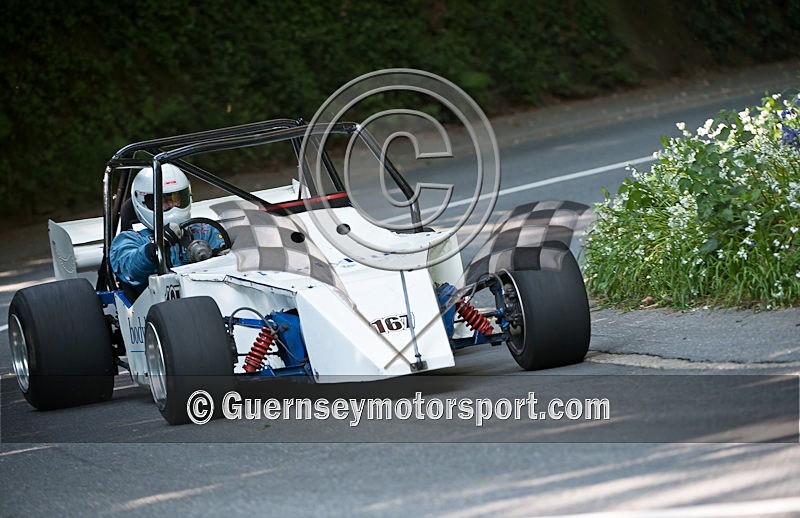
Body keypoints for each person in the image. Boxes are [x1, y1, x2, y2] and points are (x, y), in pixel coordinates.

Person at [110, 164, 226, 293]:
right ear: (144, 202)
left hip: (212, 295)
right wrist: (155, 247)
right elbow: (130, 270)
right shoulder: (130, 240)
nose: (172, 205)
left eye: (176, 198)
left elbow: (227, 258)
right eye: (163, 200)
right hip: (160, 306)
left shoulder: (204, 231)